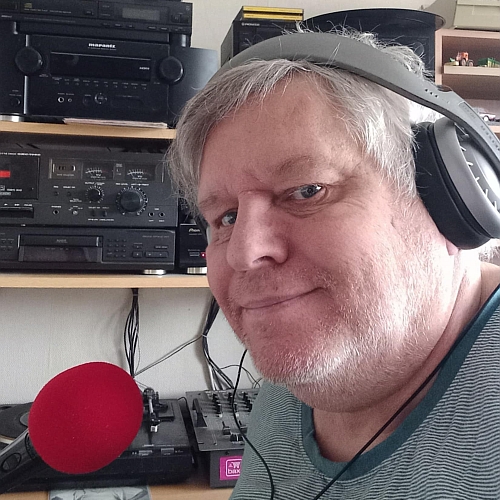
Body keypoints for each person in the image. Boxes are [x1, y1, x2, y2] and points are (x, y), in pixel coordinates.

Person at [168, 29, 500, 499]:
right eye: (226, 217)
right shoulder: (306, 371)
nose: (243, 252)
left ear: (450, 203)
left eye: (307, 191)